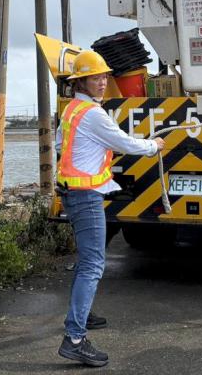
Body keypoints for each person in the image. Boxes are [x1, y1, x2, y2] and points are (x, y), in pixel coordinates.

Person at [56, 50, 165, 368]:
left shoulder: (73, 109)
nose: (103, 82)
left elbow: (64, 145)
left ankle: (82, 313)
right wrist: (153, 146)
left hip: (72, 192)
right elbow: (124, 143)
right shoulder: (93, 114)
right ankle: (75, 339)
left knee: (86, 261)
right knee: (92, 265)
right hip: (85, 196)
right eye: (95, 78)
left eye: (104, 77)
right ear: (81, 82)